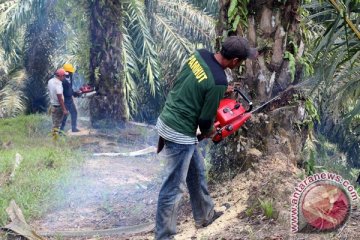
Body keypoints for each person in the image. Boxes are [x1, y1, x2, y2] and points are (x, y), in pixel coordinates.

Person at [155, 36, 258, 240]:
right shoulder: (218, 81)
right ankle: (164, 236)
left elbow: (197, 82)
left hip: (169, 117)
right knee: (173, 187)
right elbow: (205, 119)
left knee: (197, 171)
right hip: (180, 132)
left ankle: (204, 215)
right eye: (241, 62)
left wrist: (220, 91)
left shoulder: (200, 54)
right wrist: (212, 132)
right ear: (235, 61)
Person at [48, 68, 68, 137]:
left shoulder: (50, 81)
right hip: (58, 106)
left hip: (53, 105)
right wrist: (64, 109)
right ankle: (55, 140)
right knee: (57, 125)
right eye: (64, 76)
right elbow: (60, 99)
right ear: (61, 76)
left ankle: (56, 137)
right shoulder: (58, 85)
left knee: (55, 123)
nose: (65, 77)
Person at [60, 63, 80, 133]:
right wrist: (75, 93)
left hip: (69, 99)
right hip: (65, 100)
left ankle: (74, 128)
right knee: (65, 115)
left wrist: (74, 93)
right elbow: (66, 92)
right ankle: (60, 131)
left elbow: (70, 89)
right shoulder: (63, 80)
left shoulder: (69, 78)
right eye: (70, 72)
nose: (71, 73)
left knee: (74, 113)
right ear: (67, 72)